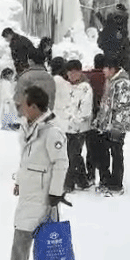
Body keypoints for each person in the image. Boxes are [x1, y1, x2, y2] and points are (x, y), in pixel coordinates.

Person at [0, 86, 68, 260]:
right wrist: (19, 181)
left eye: (24, 104)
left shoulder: (52, 132)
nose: (20, 107)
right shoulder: (28, 127)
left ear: (35, 107)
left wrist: (55, 192)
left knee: (44, 235)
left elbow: (61, 163)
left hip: (44, 192)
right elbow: (25, 160)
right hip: (29, 190)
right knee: (21, 230)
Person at [93, 56, 130, 196]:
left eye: (105, 68)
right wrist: (100, 121)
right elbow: (105, 104)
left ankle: (116, 183)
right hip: (106, 125)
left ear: (112, 69)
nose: (103, 71)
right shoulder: (110, 81)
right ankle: (105, 180)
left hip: (117, 126)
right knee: (102, 153)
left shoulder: (122, 83)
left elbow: (123, 108)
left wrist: (116, 126)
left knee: (116, 153)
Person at [58, 60, 93, 191]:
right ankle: (82, 180)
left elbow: (86, 108)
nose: (72, 75)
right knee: (73, 154)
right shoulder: (66, 86)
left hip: (79, 127)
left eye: (74, 72)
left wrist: (75, 119)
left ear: (80, 72)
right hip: (66, 126)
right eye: (69, 72)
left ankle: (69, 183)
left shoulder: (85, 88)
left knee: (73, 154)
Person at [82, 54, 107, 186]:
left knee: (90, 147)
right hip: (103, 116)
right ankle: (103, 176)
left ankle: (90, 175)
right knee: (103, 148)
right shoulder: (106, 78)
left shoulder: (88, 76)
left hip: (90, 115)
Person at [96, 4, 130, 78]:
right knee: (124, 69)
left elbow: (101, 43)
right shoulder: (120, 22)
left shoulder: (113, 22)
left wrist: (98, 14)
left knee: (113, 72)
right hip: (122, 49)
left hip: (113, 53)